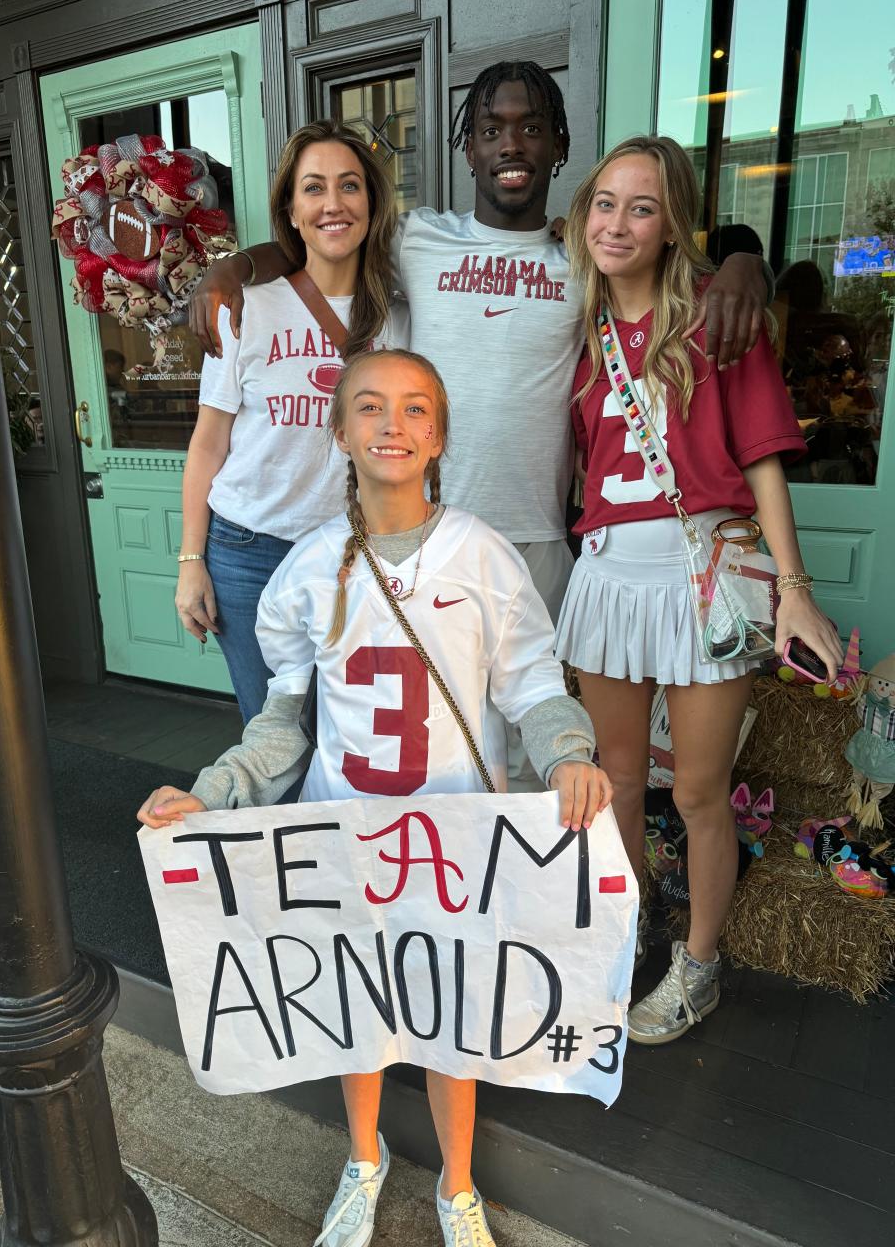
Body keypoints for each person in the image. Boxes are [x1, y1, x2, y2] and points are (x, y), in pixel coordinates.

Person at [139, 347, 612, 1247]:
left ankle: (457, 1186)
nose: (391, 424)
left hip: (457, 846)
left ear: (438, 436)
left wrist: (567, 757)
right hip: (347, 835)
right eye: (369, 407)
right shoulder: (311, 570)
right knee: (354, 1006)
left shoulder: (482, 556)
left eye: (414, 409)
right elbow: (284, 722)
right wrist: (213, 795)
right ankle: (364, 1162)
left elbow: (534, 687)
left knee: (452, 1017)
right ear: (339, 430)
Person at [186, 62, 770, 633]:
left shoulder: (587, 258)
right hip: (426, 528)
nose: (511, 145)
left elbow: (669, 270)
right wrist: (233, 267)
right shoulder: (419, 240)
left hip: (539, 535)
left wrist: (746, 264)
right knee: (433, 720)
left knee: (532, 715)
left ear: (559, 146)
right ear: (469, 150)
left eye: (531, 129)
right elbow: (320, 241)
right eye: (491, 131)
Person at [553, 136, 843, 1045]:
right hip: (605, 576)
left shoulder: (721, 322)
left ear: (675, 224)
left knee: (699, 795)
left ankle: (701, 965)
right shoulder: (576, 329)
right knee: (621, 785)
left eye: (641, 207)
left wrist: (793, 591)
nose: (617, 222)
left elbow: (761, 458)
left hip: (699, 575)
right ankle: (630, 930)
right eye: (605, 202)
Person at [175, 121, 405, 723]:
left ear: (372, 204)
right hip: (246, 550)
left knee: (353, 733)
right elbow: (207, 444)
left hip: (352, 553)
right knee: (274, 737)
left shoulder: (399, 316)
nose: (333, 203)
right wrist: (190, 562)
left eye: (350, 186)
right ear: (292, 209)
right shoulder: (244, 307)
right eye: (314, 188)